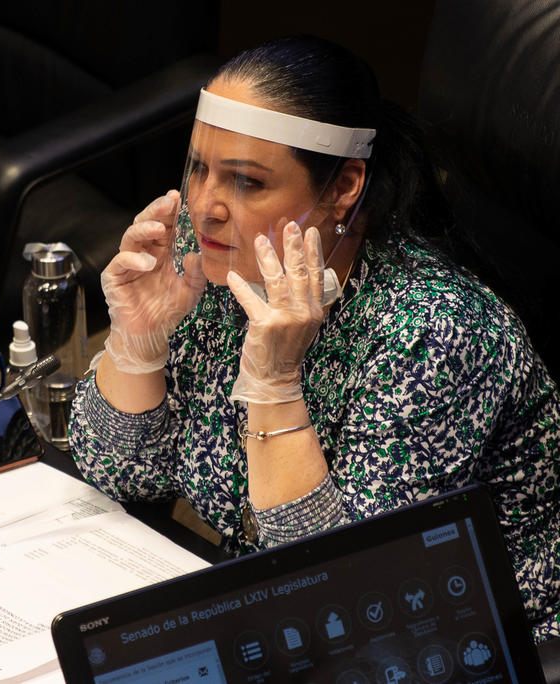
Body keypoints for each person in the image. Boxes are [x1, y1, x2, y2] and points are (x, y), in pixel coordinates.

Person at [69, 35, 560, 642]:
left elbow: (348, 599)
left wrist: (276, 387)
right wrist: (137, 344)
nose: (205, 206)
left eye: (246, 182)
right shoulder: (215, 258)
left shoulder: (437, 333)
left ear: (344, 187)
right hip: (267, 617)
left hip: (467, 644)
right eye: (198, 168)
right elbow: (121, 474)